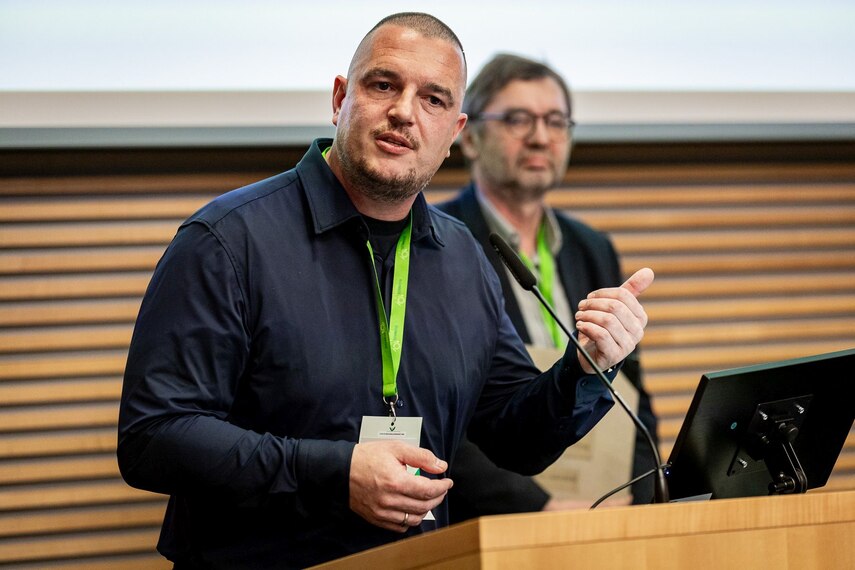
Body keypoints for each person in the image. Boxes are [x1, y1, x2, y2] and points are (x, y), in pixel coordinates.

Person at [117, 14, 653, 569]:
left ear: (455, 134)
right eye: (384, 85)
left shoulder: (465, 259)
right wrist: (336, 470)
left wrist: (585, 368)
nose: (404, 112)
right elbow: (154, 438)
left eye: (434, 100)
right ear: (340, 98)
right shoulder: (228, 240)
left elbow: (517, 439)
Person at [437, 53, 660, 520]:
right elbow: (438, 416)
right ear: (470, 136)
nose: (540, 136)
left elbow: (630, 391)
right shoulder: (437, 240)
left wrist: (639, 497)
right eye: (518, 119)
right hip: (492, 518)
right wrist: (538, 508)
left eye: (556, 121)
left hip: (605, 511)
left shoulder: (591, 247)